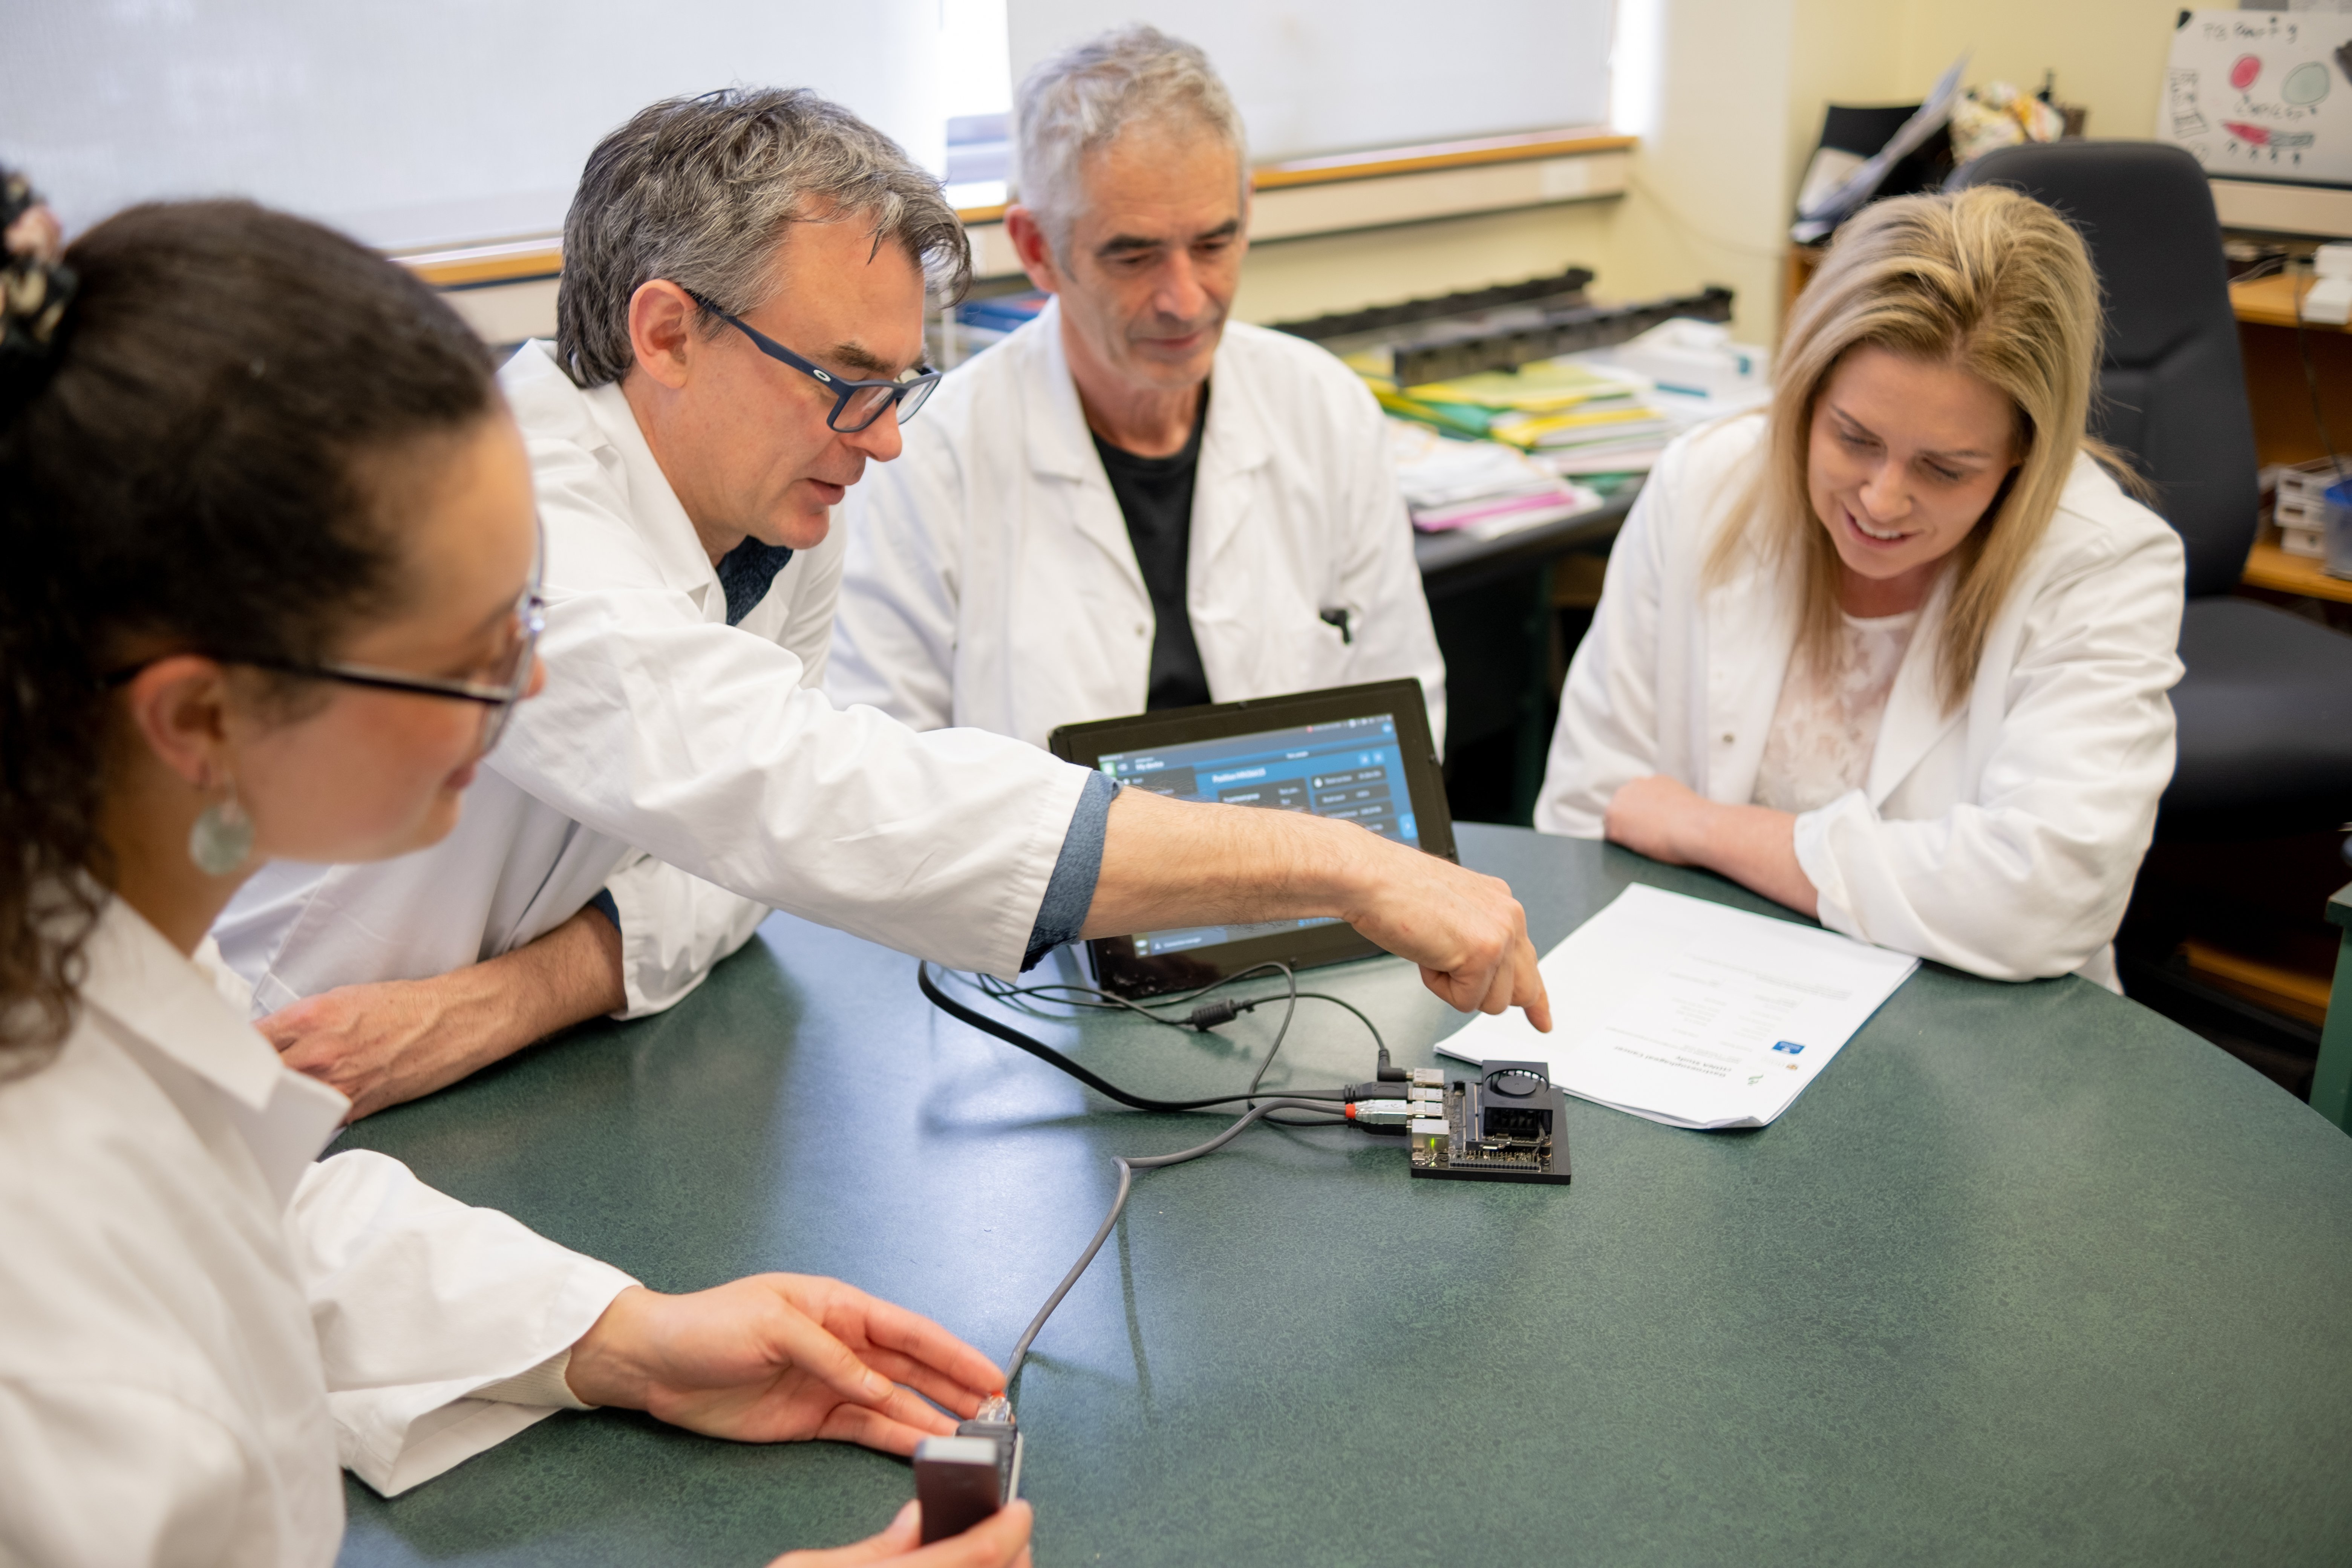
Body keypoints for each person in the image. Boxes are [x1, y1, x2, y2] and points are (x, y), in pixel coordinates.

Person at [0, 191, 1029, 1565]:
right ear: (199, 721)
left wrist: (626, 1337)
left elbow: (235, 1212)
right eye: (476, 646)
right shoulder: (50, 1369)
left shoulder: (84, 916)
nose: (531, 681)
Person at [213, 87, 1544, 1123]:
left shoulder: (780, 497)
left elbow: (730, 871)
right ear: (667, 331)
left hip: (480, 1068)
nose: (887, 440)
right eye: (845, 380)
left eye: (899, 385)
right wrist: (1336, 862)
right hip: (273, 1065)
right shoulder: (508, 517)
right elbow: (809, 797)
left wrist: (506, 1001)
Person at [1534, 186, 2185, 987]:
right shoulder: (1706, 482)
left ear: (2025, 453)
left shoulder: (2106, 563)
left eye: (1946, 469)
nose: (1882, 500)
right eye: (1854, 438)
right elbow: (1587, 805)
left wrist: (1704, 829)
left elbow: (2040, 896)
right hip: (1698, 992)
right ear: (1806, 394)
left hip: (1972, 1031)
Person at [826, 26, 1446, 752]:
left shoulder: (1324, 409)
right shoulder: (930, 461)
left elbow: (1403, 727)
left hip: (1303, 855)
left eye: (1214, 244)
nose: (1185, 300)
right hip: (1049, 868)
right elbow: (889, 773)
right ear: (1037, 249)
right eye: (1133, 255)